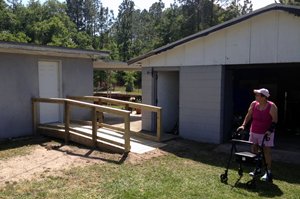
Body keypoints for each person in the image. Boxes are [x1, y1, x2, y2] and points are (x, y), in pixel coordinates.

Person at [237, 88, 278, 181]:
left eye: (258, 95)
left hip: (266, 133)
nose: (255, 96)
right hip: (254, 131)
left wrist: (269, 131)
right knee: (254, 150)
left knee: (266, 152)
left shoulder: (272, 106)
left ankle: (268, 172)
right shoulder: (253, 104)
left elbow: (274, 120)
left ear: (264, 97)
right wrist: (243, 125)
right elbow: (249, 115)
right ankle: (257, 168)